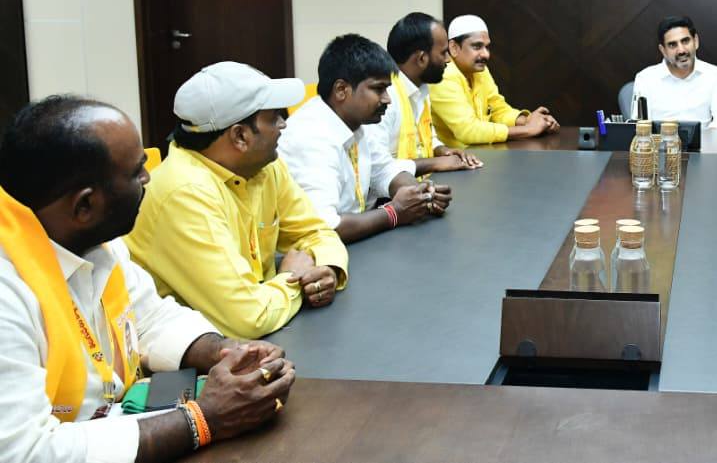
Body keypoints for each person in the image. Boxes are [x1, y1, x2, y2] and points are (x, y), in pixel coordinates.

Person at [0, 96, 296, 463]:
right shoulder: (7, 292)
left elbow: (150, 317)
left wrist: (227, 352)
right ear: (85, 206)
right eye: (136, 172)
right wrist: (204, 420)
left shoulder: (92, 240)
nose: (148, 179)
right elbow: (24, 452)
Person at [124, 62, 350, 339]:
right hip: (194, 349)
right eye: (273, 118)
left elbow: (316, 232)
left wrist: (326, 268)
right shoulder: (184, 193)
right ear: (241, 136)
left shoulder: (263, 166)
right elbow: (249, 318)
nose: (283, 124)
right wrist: (292, 280)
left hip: (261, 332)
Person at [280, 34, 451, 244]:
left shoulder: (355, 121)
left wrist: (419, 195)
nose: (387, 99)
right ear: (341, 90)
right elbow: (325, 227)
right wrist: (394, 212)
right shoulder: (311, 136)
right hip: (315, 253)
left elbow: (385, 170)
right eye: (378, 89)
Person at [371, 12, 483, 174]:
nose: (448, 59)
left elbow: (426, 140)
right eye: (443, 53)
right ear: (422, 59)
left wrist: (444, 151)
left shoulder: (421, 88)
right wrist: (435, 163)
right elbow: (377, 168)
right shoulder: (384, 97)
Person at [428, 14, 559, 148]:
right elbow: (468, 131)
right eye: (477, 46)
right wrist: (528, 130)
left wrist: (529, 121)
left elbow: (498, 110)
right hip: (453, 158)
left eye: (486, 47)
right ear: (454, 47)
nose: (486, 54)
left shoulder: (481, 71)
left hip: (482, 153)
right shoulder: (443, 76)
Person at [631, 15, 717, 130]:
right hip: (661, 141)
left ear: (695, 41)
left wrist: (704, 138)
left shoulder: (713, 74)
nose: (681, 50)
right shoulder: (645, 78)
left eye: (685, 41)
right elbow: (639, 126)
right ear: (663, 50)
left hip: (704, 140)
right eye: (672, 45)